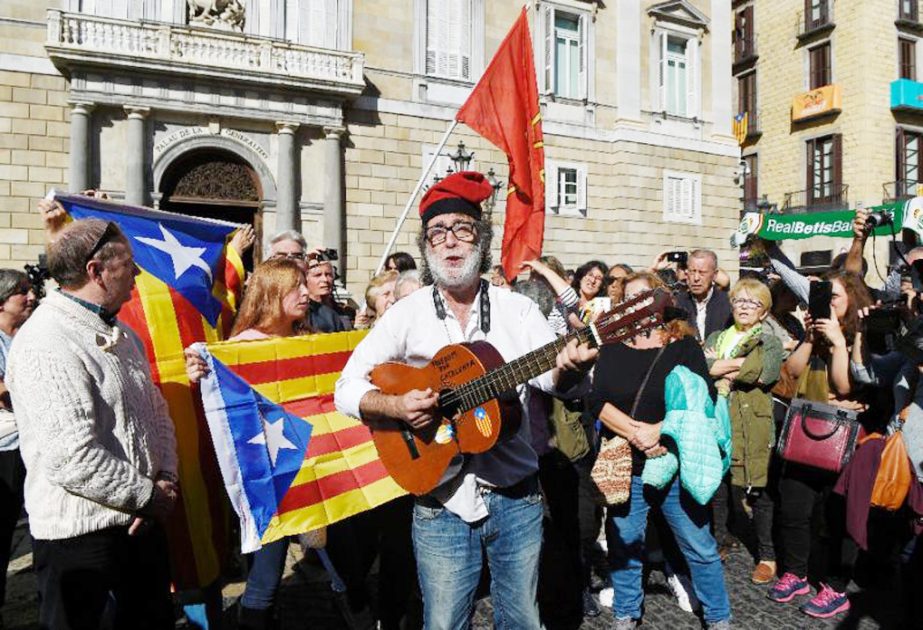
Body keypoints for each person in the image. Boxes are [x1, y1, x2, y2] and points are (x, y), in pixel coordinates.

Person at [334, 171, 597, 629]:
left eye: (462, 229)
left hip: (517, 496)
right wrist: (396, 407)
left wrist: (571, 366)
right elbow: (346, 387)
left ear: (481, 240)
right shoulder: (405, 315)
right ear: (426, 246)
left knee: (522, 620)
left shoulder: (519, 310)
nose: (450, 241)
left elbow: (556, 382)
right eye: (438, 232)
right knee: (443, 622)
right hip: (441, 498)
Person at [7, 219, 178, 629]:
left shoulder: (123, 332)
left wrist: (167, 476)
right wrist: (149, 496)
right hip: (80, 539)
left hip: (140, 526)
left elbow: (157, 411)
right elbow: (72, 457)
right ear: (96, 271)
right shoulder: (46, 340)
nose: (137, 273)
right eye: (130, 264)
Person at [589, 271, 731, 629]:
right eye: (631, 298)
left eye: (647, 296)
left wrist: (660, 431)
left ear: (662, 302)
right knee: (625, 546)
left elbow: (703, 400)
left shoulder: (684, 346)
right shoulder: (611, 348)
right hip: (628, 464)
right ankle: (626, 612)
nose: (640, 304)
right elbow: (598, 402)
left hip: (676, 461)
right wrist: (639, 434)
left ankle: (718, 616)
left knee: (699, 546)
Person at [186, 258, 315, 629]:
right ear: (272, 292)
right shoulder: (240, 349)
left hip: (306, 468)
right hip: (266, 475)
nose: (306, 293)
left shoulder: (306, 341)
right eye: (296, 286)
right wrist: (200, 374)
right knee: (267, 572)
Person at [768, 269, 872, 619]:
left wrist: (839, 342)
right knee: (794, 510)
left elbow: (844, 387)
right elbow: (793, 372)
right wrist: (811, 338)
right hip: (805, 433)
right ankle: (796, 574)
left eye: (835, 299)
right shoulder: (813, 333)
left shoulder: (860, 338)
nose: (827, 305)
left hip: (843, 442)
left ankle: (836, 587)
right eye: (823, 298)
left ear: (852, 303)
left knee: (837, 517)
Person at [704, 278, 783, 584]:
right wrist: (737, 364)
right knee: (720, 487)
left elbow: (765, 373)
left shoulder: (769, 340)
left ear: (764, 312)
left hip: (753, 422)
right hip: (718, 417)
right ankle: (721, 539)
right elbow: (702, 366)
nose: (745, 307)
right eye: (740, 301)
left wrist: (721, 364)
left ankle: (767, 555)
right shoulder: (716, 335)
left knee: (759, 490)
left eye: (754, 303)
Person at [0, 270, 35, 607]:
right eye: (21, 293)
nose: (31, 297)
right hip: (6, 450)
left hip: (36, 445)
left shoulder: (32, 335)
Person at [670, 250, 732, 341]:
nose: (696, 278)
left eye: (702, 273)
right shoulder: (676, 303)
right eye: (692, 272)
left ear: (714, 275)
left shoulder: (728, 304)